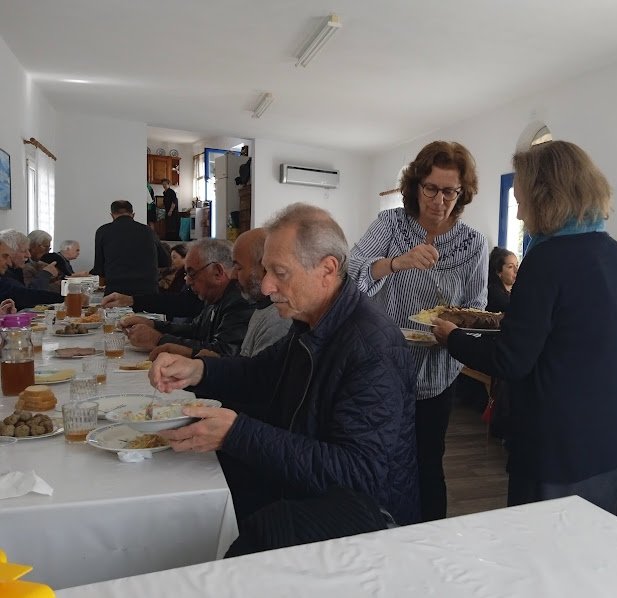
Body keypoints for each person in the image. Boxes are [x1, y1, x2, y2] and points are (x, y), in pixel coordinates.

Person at [151, 203, 419, 554]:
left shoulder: (372, 347)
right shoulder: (313, 320)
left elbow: (358, 473)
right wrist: (198, 370)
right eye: (265, 270)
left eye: (279, 272)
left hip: (367, 524)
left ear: (327, 269)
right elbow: (261, 372)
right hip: (303, 488)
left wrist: (237, 434)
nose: (265, 287)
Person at [432, 140, 617, 514]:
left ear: (546, 197)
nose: (518, 213)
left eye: (521, 200)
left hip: (561, 442)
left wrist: (453, 337)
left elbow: (512, 359)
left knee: (542, 542)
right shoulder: (615, 254)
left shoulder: (547, 259)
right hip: (614, 436)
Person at [349, 140, 488, 522]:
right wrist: (396, 263)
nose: (439, 201)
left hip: (437, 369)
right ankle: (376, 529)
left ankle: (427, 538)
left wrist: (454, 326)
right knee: (378, 455)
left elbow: (476, 307)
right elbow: (352, 272)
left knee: (428, 460)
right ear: (415, 185)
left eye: (449, 192)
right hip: (384, 364)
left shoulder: (473, 244)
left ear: (462, 193)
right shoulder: (391, 225)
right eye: (431, 189)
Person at [120, 238, 253, 358]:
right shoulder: (215, 297)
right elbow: (195, 330)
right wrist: (153, 324)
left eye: (192, 273)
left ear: (217, 272)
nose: (188, 281)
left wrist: (159, 340)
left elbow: (222, 353)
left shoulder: (239, 301)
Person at [196, 229, 291, 358]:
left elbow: (259, 370)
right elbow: (248, 364)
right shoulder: (262, 308)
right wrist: (214, 363)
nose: (233, 275)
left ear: (264, 267)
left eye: (238, 267)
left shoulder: (278, 319)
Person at [91, 200, 170, 295]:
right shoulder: (148, 231)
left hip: (116, 291)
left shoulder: (103, 231)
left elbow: (99, 268)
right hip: (147, 292)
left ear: (112, 215)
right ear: (133, 215)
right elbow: (165, 261)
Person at [0, 239, 61, 308]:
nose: (29, 255)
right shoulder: (7, 275)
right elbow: (23, 296)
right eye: (24, 251)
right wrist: (46, 274)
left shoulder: (18, 270)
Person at [486, 247, 518, 313]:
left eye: (517, 265)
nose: (516, 270)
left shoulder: (515, 290)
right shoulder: (494, 293)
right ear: (498, 271)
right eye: (510, 267)